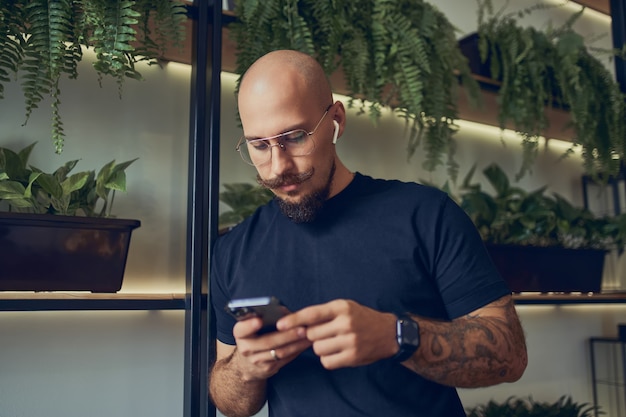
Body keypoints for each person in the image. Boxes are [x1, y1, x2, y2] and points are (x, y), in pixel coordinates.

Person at [209, 49, 528, 417]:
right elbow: (231, 402)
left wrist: (397, 336)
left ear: (337, 121)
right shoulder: (233, 250)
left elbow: (510, 354)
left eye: (295, 137)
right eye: (260, 145)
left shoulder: (426, 215)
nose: (278, 166)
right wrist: (245, 370)